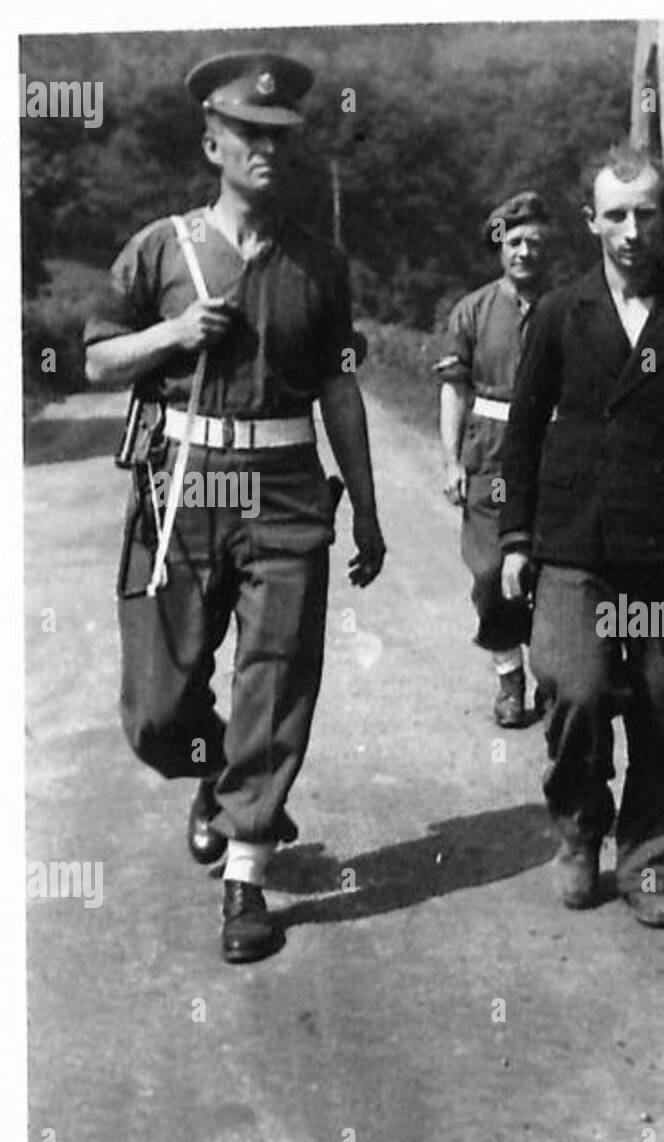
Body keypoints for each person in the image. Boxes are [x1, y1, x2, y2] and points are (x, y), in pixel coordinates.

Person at [84, 50, 386, 964]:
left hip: (286, 492)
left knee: (277, 673)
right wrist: (174, 334)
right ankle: (216, 774)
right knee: (157, 707)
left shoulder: (320, 265)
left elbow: (338, 393)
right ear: (212, 141)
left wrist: (367, 512)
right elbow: (96, 359)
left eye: (281, 137)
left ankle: (247, 872)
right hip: (181, 490)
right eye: (250, 135)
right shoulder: (160, 248)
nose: (267, 150)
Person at [498, 142, 664, 928]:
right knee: (574, 689)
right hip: (575, 543)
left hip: (662, 549)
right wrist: (515, 536)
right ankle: (579, 829)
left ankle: (649, 858)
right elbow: (520, 432)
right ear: (590, 222)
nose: (632, 230)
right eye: (616, 214)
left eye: (646, 212)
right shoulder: (558, 313)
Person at [435, 191, 554, 726]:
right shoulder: (473, 311)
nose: (525, 252)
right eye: (515, 242)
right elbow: (454, 390)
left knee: (552, 571)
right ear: (499, 247)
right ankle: (510, 677)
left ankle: (556, 675)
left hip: (554, 455)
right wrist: (451, 460)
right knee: (490, 572)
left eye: (534, 242)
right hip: (492, 457)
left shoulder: (568, 307)